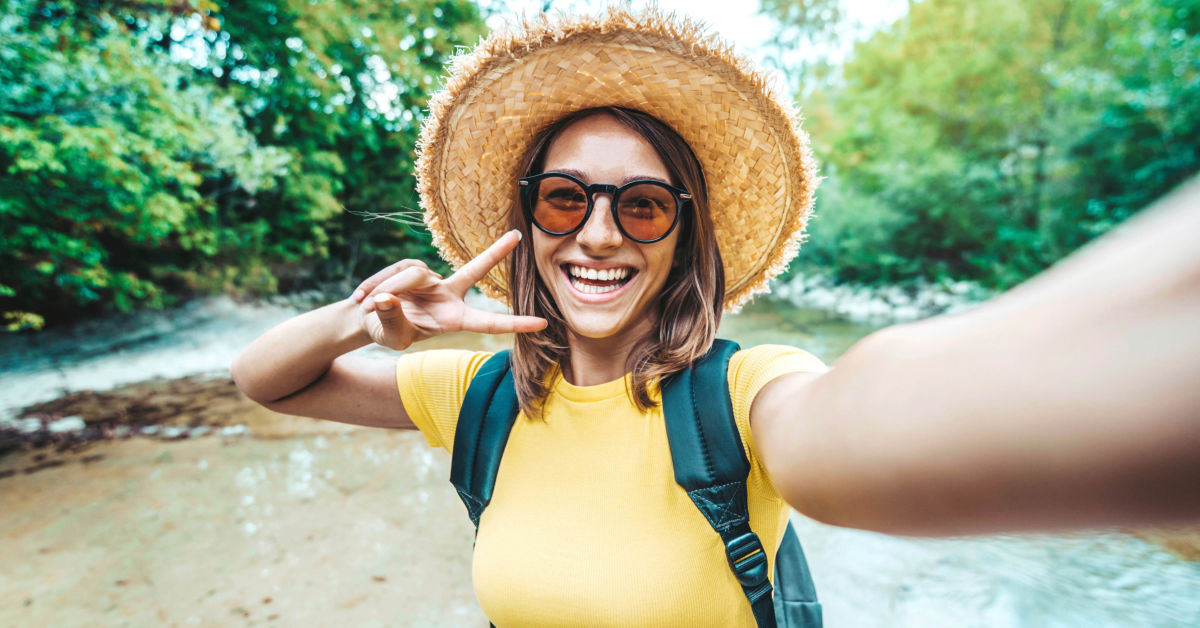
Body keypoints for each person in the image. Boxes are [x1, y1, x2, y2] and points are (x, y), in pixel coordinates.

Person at [231, 8, 1200, 626]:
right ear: (526, 222)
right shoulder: (476, 390)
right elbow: (265, 379)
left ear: (682, 238)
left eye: (641, 204)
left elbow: (860, 422)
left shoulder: (742, 391)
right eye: (566, 199)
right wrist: (371, 319)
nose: (600, 235)